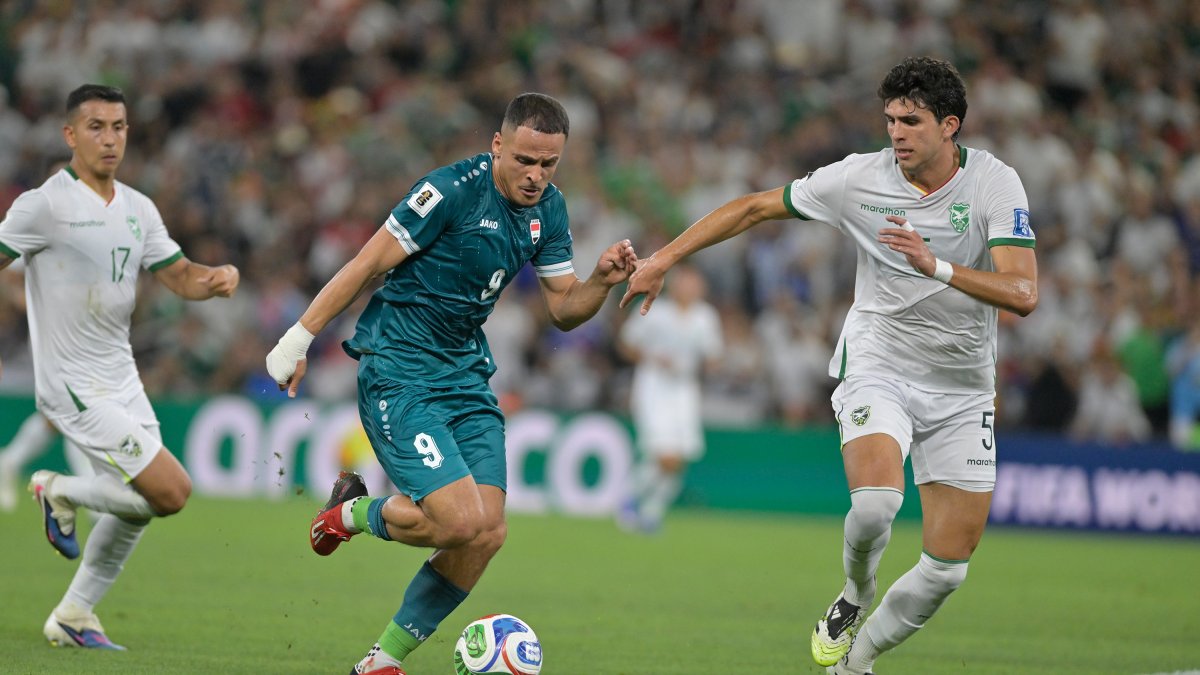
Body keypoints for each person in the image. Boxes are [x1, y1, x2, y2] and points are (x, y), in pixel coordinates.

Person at [621, 56, 1038, 675]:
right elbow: (755, 207)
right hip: (881, 361)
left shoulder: (995, 185)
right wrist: (665, 258)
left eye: (912, 121)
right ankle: (855, 593)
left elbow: (1023, 293)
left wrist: (936, 267)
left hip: (963, 387)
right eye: (890, 119)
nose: (896, 132)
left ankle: (856, 662)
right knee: (874, 506)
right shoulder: (859, 179)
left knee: (947, 569)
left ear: (950, 125)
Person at [266, 92, 637, 675]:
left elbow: (565, 309)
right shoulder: (449, 190)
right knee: (458, 519)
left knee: (486, 533)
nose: (536, 176)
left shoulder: (551, 210)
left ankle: (381, 662)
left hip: (465, 376)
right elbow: (367, 263)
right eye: (525, 160)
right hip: (400, 370)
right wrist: (298, 338)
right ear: (498, 145)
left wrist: (601, 280)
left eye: (549, 164)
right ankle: (352, 514)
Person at [0, 84, 240, 650]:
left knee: (141, 507)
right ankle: (56, 488)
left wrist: (213, 278)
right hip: (72, 385)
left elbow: (179, 275)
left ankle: (75, 615)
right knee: (172, 492)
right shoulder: (45, 204)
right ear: (70, 135)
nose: (110, 139)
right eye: (96, 127)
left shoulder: (138, 207)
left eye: (119, 127)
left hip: (121, 378)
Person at [616, 264, 722, 533]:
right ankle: (628, 498)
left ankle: (650, 512)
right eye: (685, 283)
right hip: (653, 386)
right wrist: (652, 358)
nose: (690, 289)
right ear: (674, 285)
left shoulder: (705, 317)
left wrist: (705, 365)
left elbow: (713, 357)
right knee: (663, 455)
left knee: (680, 456)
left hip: (685, 389)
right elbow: (626, 344)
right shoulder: (654, 311)